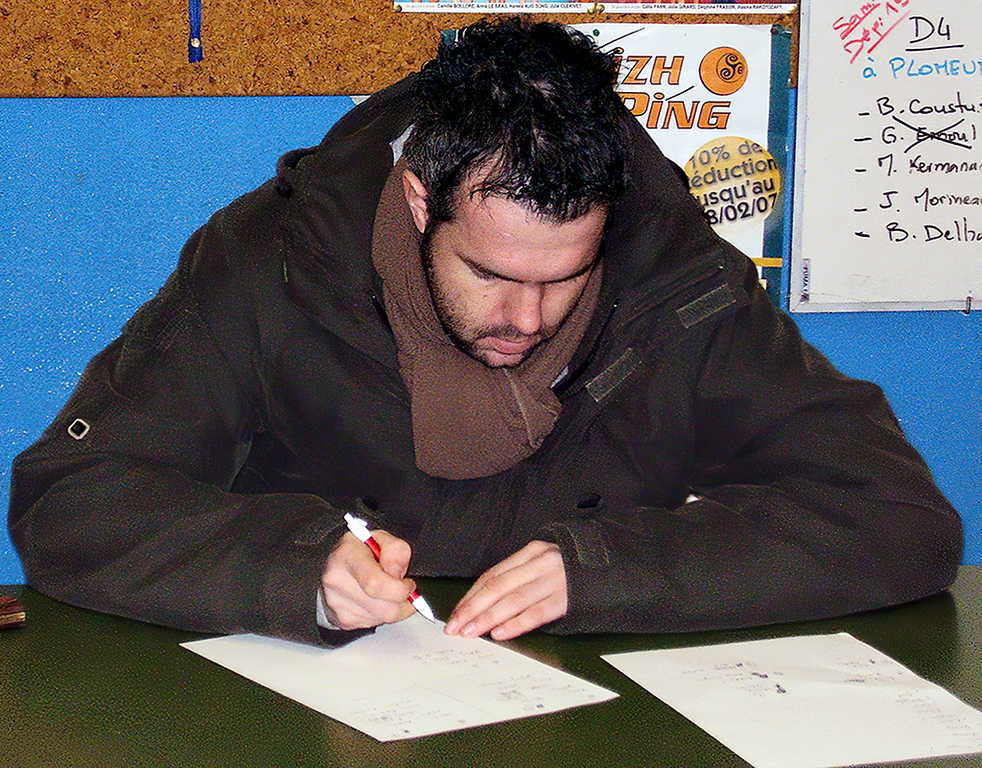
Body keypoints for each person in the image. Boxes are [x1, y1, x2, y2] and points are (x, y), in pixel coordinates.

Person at [8, 18, 961, 646]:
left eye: (566, 277)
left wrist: (613, 569)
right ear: (420, 201)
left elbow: (898, 516)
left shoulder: (679, 282)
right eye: (492, 274)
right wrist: (289, 568)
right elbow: (73, 500)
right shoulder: (275, 262)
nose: (527, 320)